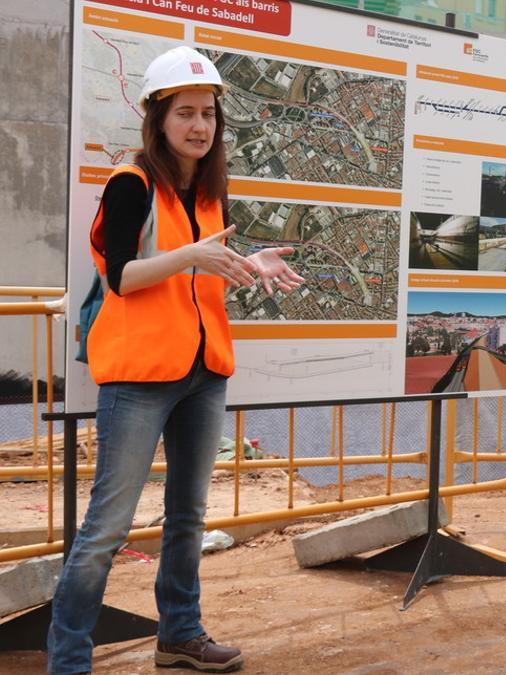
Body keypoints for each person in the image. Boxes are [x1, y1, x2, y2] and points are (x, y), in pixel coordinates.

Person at [48, 46, 303, 674]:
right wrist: (192, 255)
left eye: (209, 114)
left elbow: (201, 270)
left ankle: (180, 635)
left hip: (202, 371)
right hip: (137, 377)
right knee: (106, 529)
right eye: (186, 112)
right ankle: (69, 661)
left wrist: (251, 263)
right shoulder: (130, 183)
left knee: (187, 516)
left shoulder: (208, 192)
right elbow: (123, 278)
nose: (200, 125)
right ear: (158, 119)